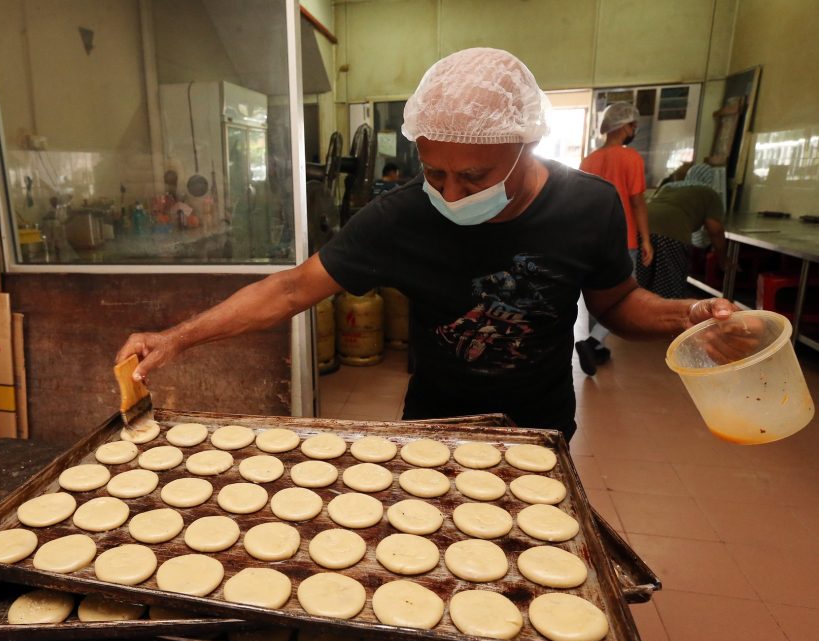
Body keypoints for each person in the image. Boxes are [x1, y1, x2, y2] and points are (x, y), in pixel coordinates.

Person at [116, 47, 733, 441]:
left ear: (524, 147)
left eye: (476, 177)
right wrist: (177, 337)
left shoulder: (588, 204)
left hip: (540, 425)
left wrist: (689, 314)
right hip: (434, 424)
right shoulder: (401, 217)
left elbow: (617, 304)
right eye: (436, 173)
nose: (454, 193)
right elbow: (291, 288)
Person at [574, 103, 653, 376]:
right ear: (625, 127)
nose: (635, 131)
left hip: (589, 238)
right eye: (634, 126)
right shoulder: (631, 159)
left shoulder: (589, 160)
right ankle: (592, 341)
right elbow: (637, 202)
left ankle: (596, 346)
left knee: (596, 294)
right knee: (621, 298)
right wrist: (645, 239)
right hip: (623, 238)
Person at [638, 163, 728, 298]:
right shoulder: (710, 193)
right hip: (672, 233)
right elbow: (715, 230)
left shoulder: (668, 186)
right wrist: (723, 259)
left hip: (641, 228)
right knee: (669, 289)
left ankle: (637, 318)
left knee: (640, 283)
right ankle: (665, 317)